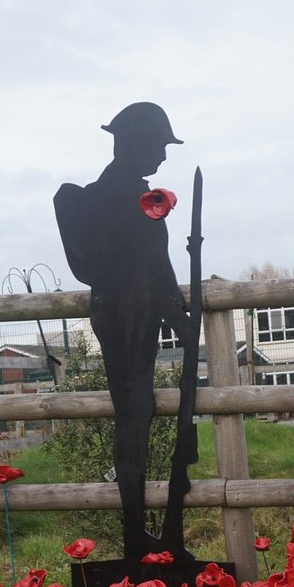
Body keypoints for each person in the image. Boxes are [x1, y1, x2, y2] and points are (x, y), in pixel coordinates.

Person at [54, 102, 196, 559]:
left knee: (136, 412)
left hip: (130, 312)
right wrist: (180, 318)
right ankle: (138, 534)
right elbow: (153, 263)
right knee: (133, 415)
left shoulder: (118, 191)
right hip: (127, 315)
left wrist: (177, 315)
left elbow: (156, 265)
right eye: (157, 145)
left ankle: (142, 533)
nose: (162, 155)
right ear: (132, 142)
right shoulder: (118, 196)